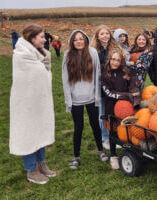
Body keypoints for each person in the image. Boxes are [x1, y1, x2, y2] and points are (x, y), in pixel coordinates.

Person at [10, 24, 56, 184]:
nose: (45, 39)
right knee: (29, 134)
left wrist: (46, 66)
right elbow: (36, 75)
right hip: (26, 104)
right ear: (32, 37)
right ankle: (31, 169)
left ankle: (41, 164)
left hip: (39, 102)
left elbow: (44, 74)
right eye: (42, 37)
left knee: (40, 131)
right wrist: (45, 68)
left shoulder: (40, 54)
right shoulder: (22, 55)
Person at [62, 30, 108, 169]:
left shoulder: (92, 53)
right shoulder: (67, 55)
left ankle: (101, 150)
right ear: (72, 42)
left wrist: (96, 97)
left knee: (95, 124)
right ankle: (76, 156)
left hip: (91, 98)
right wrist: (68, 100)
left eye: (81, 39)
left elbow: (97, 74)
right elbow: (65, 79)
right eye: (76, 40)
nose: (79, 41)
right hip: (76, 99)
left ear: (86, 40)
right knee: (78, 127)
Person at [102, 50, 139, 169]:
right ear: (109, 59)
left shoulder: (126, 72)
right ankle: (113, 156)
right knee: (113, 132)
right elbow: (108, 93)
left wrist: (133, 91)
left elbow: (133, 84)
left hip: (125, 106)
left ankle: (130, 152)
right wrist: (125, 95)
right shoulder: (105, 74)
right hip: (111, 106)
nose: (115, 62)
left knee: (127, 129)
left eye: (118, 60)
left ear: (121, 61)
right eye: (113, 59)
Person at [91, 25, 122, 150]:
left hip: (114, 86)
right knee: (103, 113)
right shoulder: (93, 52)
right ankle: (105, 138)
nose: (105, 36)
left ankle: (114, 136)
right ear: (97, 36)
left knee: (114, 112)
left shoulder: (115, 49)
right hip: (101, 87)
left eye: (107, 33)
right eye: (102, 34)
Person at [129, 32, 153, 106]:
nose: (141, 41)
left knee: (136, 99)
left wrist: (129, 64)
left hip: (138, 81)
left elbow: (143, 67)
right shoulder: (131, 49)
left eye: (143, 39)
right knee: (128, 99)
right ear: (136, 40)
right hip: (128, 78)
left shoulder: (149, 52)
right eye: (139, 39)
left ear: (146, 41)